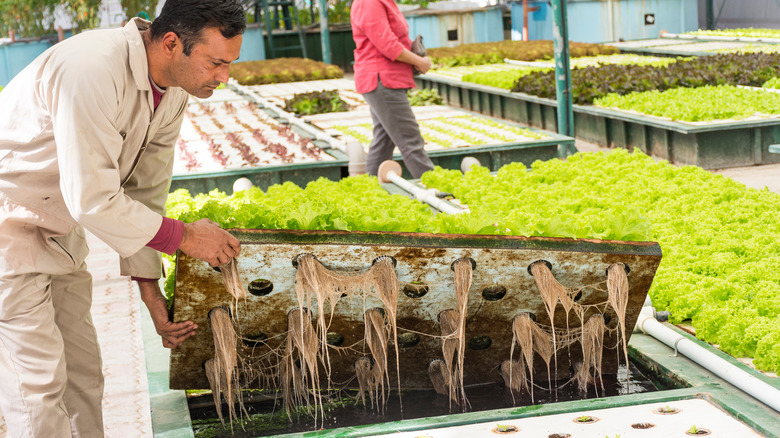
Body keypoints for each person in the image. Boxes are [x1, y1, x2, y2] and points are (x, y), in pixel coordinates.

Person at [0, 0, 246, 436]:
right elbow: (92, 197)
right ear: (172, 43)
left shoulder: (171, 93)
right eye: (216, 63)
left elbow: (145, 191)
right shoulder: (91, 69)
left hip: (57, 233)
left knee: (83, 375)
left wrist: (153, 299)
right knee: (36, 388)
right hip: (9, 231)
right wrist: (187, 237)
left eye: (230, 64)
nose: (224, 77)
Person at [350, 0, 436, 179]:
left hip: (386, 79)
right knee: (410, 140)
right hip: (382, 79)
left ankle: (370, 193)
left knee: (384, 141)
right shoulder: (369, 2)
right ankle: (437, 191)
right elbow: (387, 43)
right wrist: (419, 61)